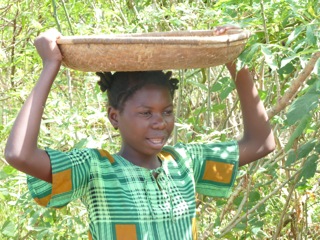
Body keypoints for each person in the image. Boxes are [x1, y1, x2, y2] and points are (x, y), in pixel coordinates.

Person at [4, 27, 275, 240]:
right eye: (146, 113)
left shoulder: (184, 163)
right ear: (114, 117)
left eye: (167, 111)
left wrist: (234, 61)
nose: (160, 122)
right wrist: (50, 64)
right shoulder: (96, 170)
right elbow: (20, 154)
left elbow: (261, 143)